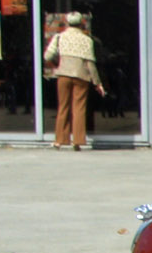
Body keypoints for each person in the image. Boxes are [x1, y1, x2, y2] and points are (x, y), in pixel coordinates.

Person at [43, 11, 106, 150]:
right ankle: (77, 141)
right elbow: (90, 64)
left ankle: (59, 140)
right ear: (81, 23)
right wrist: (98, 83)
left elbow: (47, 55)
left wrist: (58, 62)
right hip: (81, 76)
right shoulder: (86, 40)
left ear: (67, 22)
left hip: (63, 74)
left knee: (63, 107)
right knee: (79, 108)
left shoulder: (59, 37)